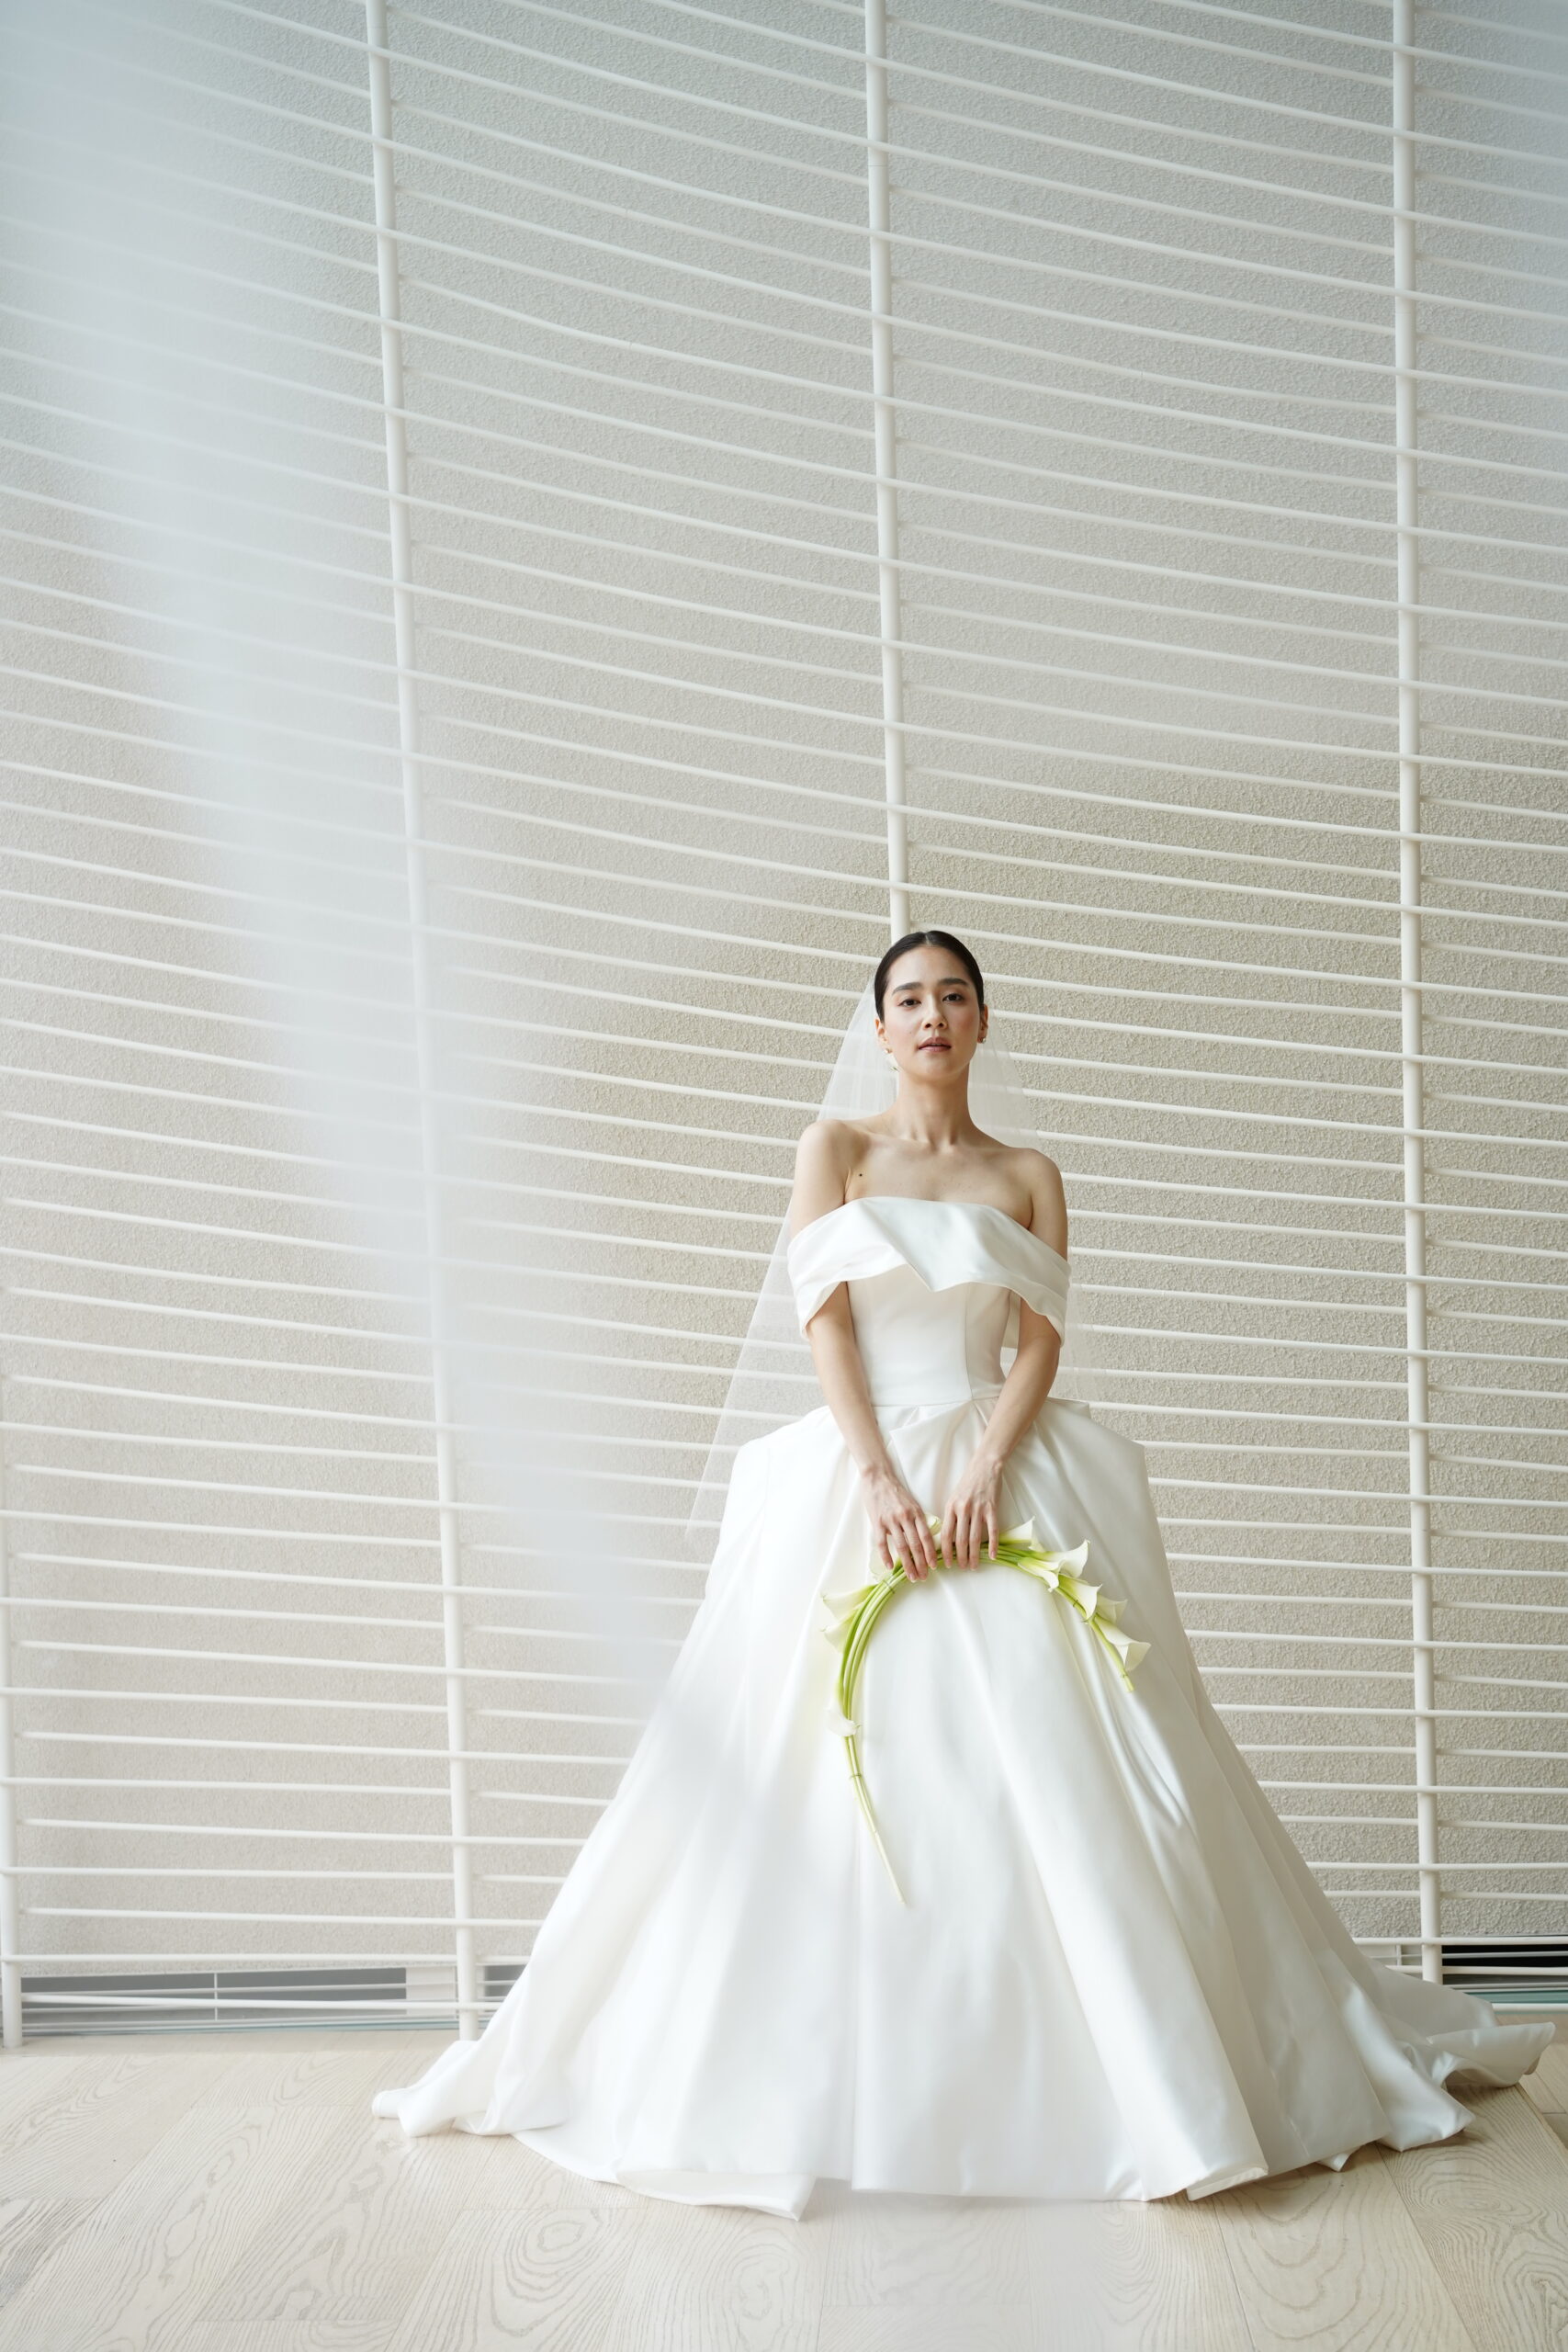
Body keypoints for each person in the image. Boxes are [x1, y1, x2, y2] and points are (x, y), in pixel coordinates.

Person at [372, 928, 1552, 2216]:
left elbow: (1039, 1340)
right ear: (879, 1029)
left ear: (984, 1021)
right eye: (908, 999)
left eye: (954, 995)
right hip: (860, 1464)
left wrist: (987, 1467)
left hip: (1002, 1466)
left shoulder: (1029, 1173)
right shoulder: (835, 1149)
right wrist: (879, 1477)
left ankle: (1135, 2071)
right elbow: (824, 1323)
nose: (932, 1015)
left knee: (1081, 1759)